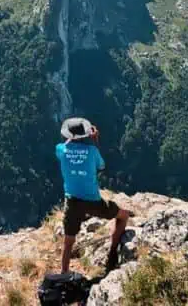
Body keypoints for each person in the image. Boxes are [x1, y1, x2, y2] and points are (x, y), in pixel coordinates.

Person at [55, 117, 130, 275]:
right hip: (93, 201)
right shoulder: (92, 151)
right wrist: (94, 141)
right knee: (123, 215)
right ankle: (112, 251)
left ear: (68, 135)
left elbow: (65, 147)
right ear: (86, 134)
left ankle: (64, 273)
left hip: (72, 201)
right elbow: (101, 166)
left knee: (68, 242)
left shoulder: (61, 149)